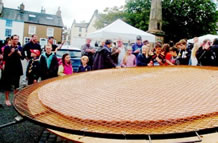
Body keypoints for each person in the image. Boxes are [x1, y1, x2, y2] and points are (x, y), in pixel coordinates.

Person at [2, 35, 23, 106]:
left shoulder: (20, 47)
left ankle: (15, 99)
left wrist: (20, 54)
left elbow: (22, 58)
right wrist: (11, 53)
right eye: (14, 39)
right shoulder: (7, 48)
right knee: (7, 84)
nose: (16, 41)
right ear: (11, 40)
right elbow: (4, 58)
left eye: (17, 39)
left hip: (17, 68)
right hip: (9, 68)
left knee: (16, 85)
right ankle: (7, 99)